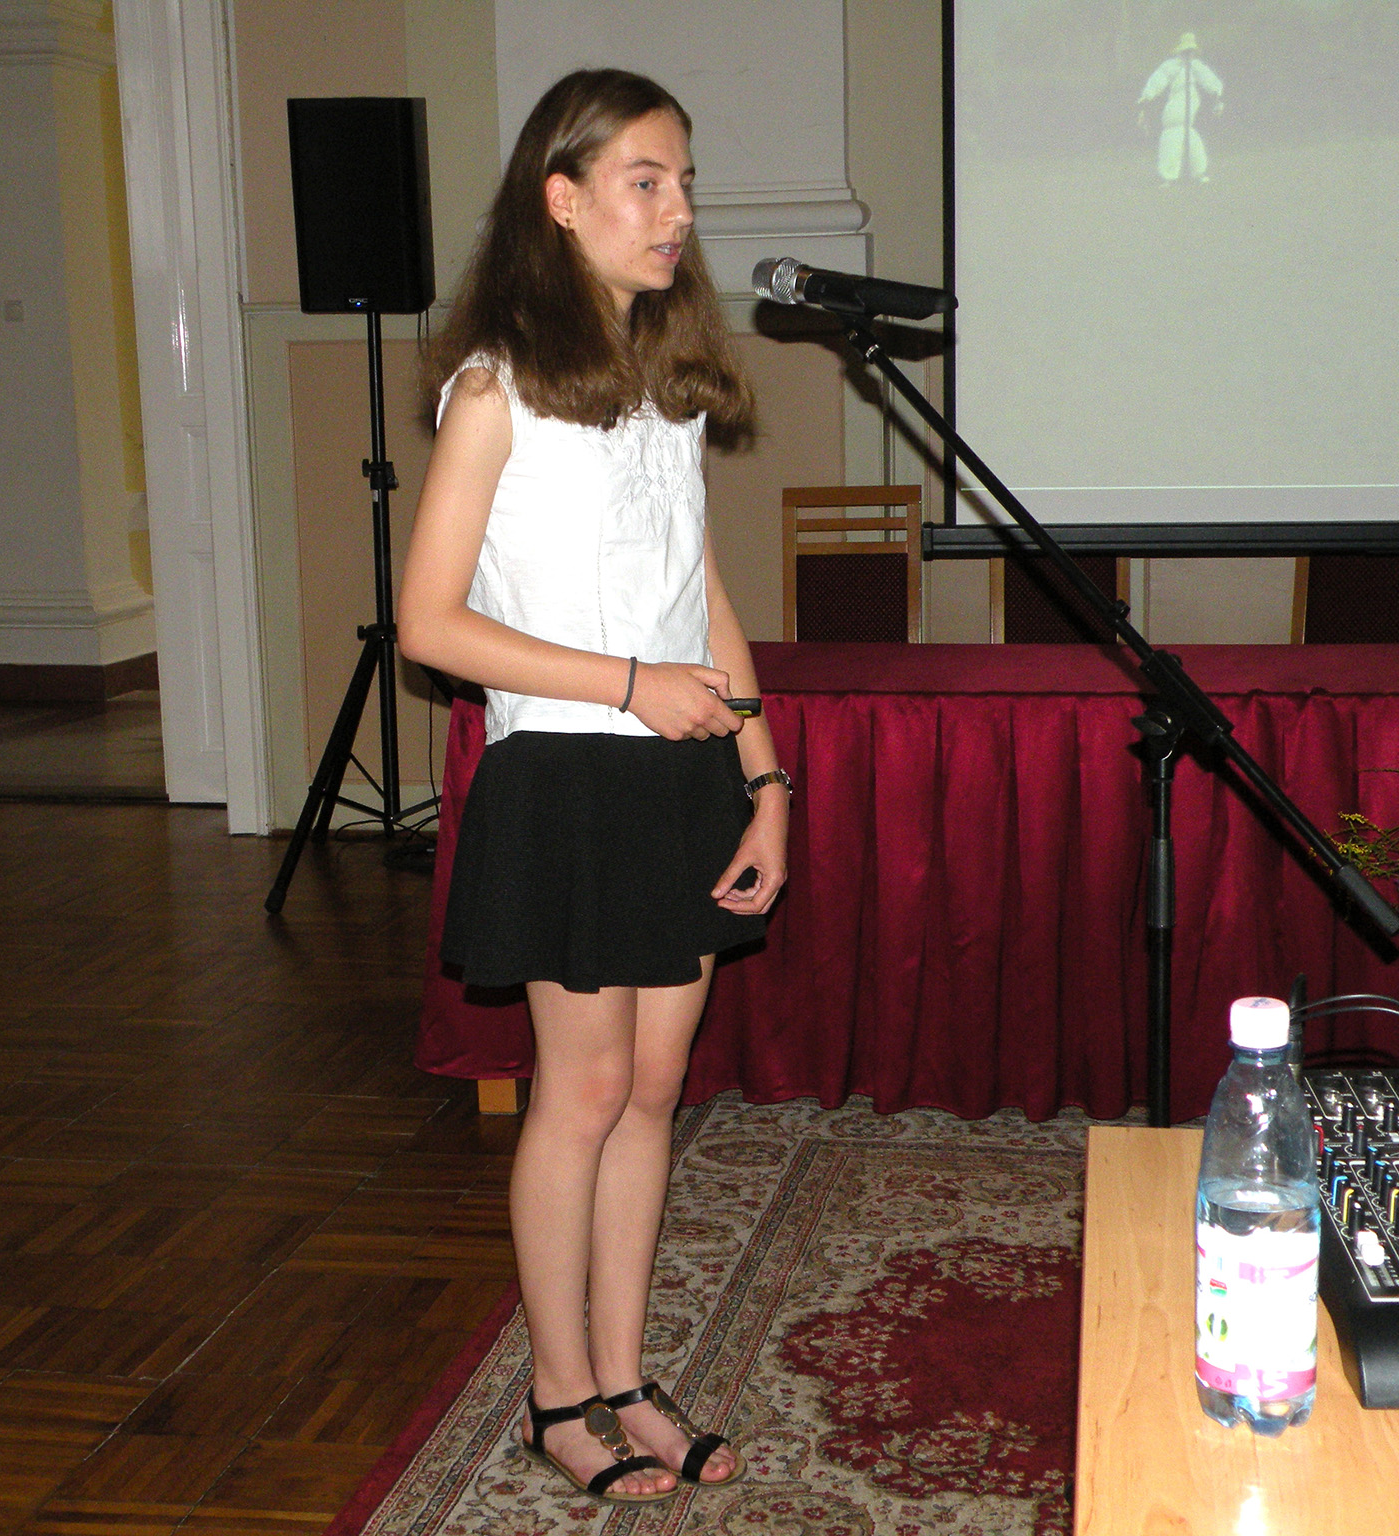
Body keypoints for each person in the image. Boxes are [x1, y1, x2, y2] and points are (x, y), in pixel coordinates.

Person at [396, 69, 786, 1504]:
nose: (677, 211)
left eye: (684, 184)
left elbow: (703, 597)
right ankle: (557, 1395)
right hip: (563, 773)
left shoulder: (664, 391)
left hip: (683, 774)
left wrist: (766, 776)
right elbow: (428, 623)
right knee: (586, 1088)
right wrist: (627, 684)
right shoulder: (493, 391)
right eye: (645, 181)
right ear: (559, 200)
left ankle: (625, 1377)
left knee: (657, 1086)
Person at [1138, 33, 1224, 186]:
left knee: (1193, 141)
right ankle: (1169, 176)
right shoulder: (1171, 66)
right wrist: (1147, 96)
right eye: (1186, 51)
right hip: (1176, 108)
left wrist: (1216, 92)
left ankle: (1199, 173)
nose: (1188, 54)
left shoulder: (1196, 66)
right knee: (1173, 137)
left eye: (1191, 51)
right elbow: (1158, 80)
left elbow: (1209, 79)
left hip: (1191, 108)